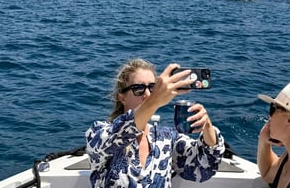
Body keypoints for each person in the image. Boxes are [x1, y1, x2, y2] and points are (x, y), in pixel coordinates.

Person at [85, 59, 225, 188]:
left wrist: (207, 125)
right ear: (122, 97)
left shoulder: (167, 139)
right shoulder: (98, 133)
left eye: (152, 88)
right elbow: (117, 136)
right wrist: (155, 101)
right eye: (138, 89)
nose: (147, 94)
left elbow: (204, 168)